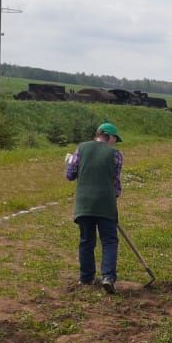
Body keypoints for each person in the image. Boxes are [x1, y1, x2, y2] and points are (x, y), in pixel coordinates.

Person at [66, 122, 124, 293]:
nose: (115, 143)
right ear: (110, 137)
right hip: (106, 204)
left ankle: (86, 278)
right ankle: (108, 277)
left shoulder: (81, 148)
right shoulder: (116, 155)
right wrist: (112, 198)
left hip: (83, 205)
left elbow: (70, 175)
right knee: (109, 241)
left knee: (86, 240)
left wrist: (70, 162)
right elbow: (116, 184)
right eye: (115, 139)